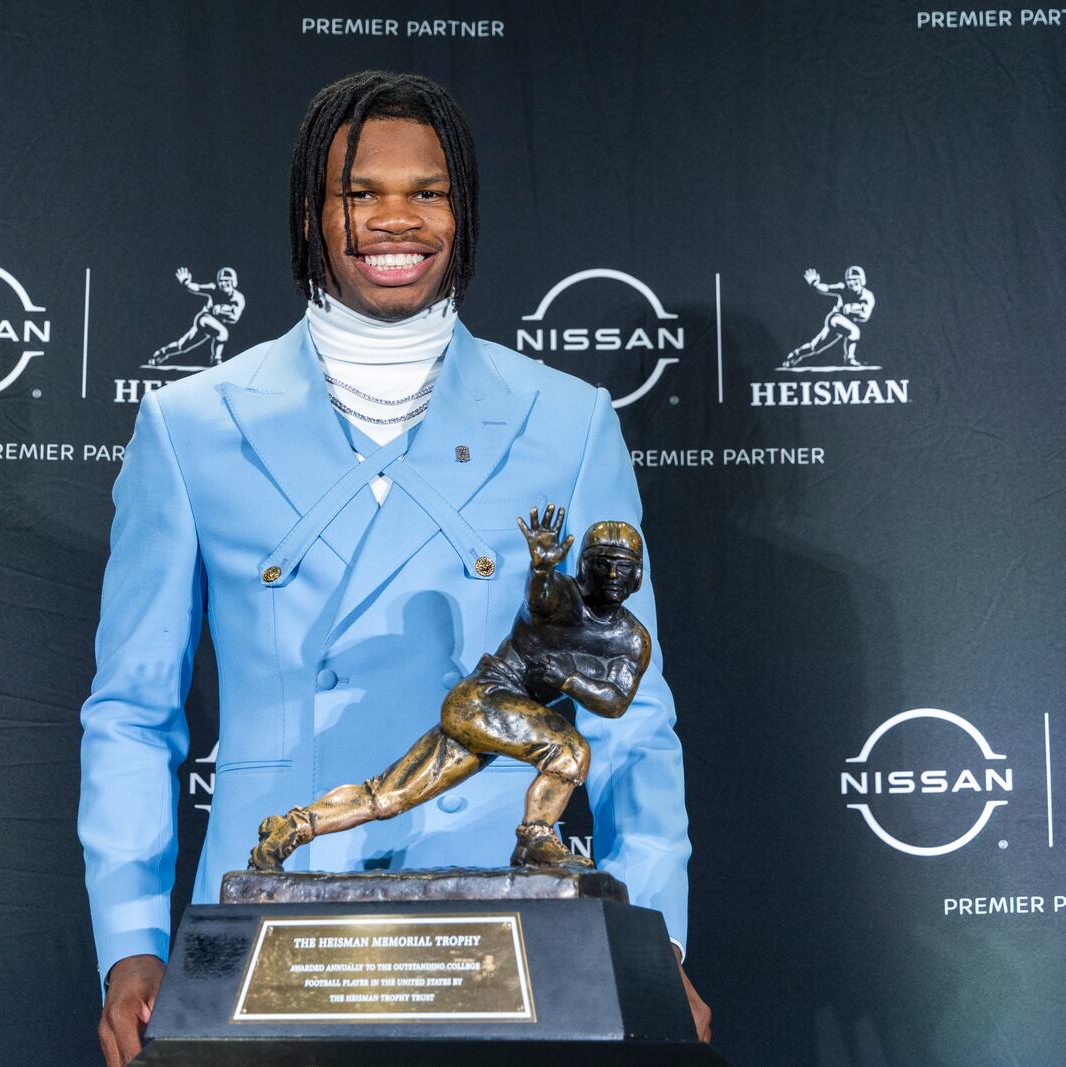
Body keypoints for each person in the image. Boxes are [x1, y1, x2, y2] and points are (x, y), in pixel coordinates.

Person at [80, 71, 709, 1067]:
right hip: (262, 935)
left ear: (462, 211)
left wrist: (657, 935)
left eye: (427, 190)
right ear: (308, 211)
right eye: (359, 190)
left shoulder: (570, 420)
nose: (394, 219)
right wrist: (130, 939)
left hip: (508, 946)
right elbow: (131, 709)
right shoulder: (190, 425)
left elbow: (632, 714)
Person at [248, 506, 651, 872]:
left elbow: (615, 702)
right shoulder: (562, 596)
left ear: (638, 575)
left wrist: (569, 678)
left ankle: (290, 828)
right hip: (482, 700)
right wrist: (542, 571)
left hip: (495, 719)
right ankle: (535, 839)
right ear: (582, 567)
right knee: (569, 751)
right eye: (602, 564)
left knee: (389, 796)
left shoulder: (630, 639)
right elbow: (540, 599)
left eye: (623, 566)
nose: (612, 575)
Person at [146, 266, 246, 367]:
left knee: (182, 346)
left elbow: (234, 318)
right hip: (204, 319)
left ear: (233, 281)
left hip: (214, 325)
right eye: (221, 281)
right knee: (223, 333)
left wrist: (222, 310)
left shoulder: (238, 298)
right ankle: (216, 360)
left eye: (227, 281)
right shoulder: (214, 288)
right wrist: (186, 283)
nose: (223, 284)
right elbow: (198, 288)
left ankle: (161, 353)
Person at [781, 265, 875, 368]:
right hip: (836, 319)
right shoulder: (843, 288)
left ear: (862, 280)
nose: (852, 283)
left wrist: (852, 309)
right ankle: (849, 359)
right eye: (849, 280)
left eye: (855, 279)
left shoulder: (867, 296)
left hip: (845, 323)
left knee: (815, 347)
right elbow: (827, 288)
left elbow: (865, 316)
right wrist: (815, 284)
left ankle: (795, 355)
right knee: (855, 332)